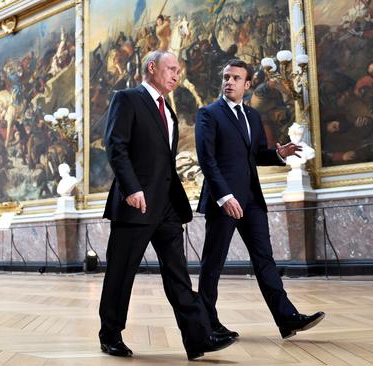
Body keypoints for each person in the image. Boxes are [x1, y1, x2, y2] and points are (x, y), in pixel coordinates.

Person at [99, 50, 236, 360]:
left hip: (167, 207)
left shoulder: (170, 113)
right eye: (171, 68)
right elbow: (116, 147)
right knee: (121, 273)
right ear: (152, 67)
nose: (177, 75)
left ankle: (198, 338)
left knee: (178, 274)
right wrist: (131, 188)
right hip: (136, 204)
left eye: (179, 70)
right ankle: (110, 334)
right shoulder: (127, 99)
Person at [195, 59, 325, 340]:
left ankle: (287, 318)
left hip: (252, 198)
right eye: (226, 77)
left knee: (264, 259)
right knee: (213, 262)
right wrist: (225, 196)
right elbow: (207, 160)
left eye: (235, 78)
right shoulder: (209, 114)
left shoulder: (253, 116)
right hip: (224, 200)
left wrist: (280, 154)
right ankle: (206, 322)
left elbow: (254, 155)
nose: (228, 82)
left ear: (247, 84)